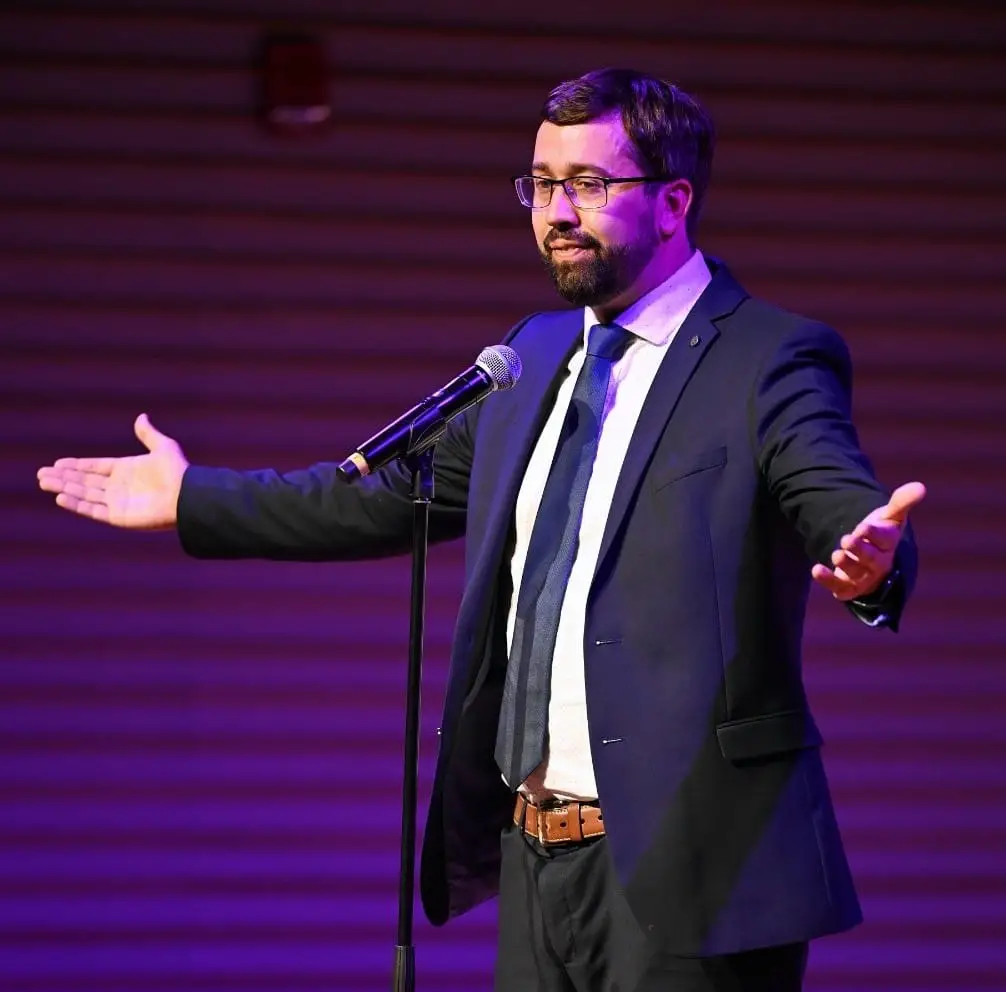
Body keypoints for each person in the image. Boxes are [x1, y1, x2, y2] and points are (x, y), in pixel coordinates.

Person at [38, 68, 925, 992]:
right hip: (538, 855)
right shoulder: (533, 356)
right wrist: (195, 498)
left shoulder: (769, 356)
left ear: (673, 201)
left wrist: (867, 565)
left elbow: (837, 498)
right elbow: (377, 497)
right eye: (540, 184)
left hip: (701, 863)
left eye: (587, 183)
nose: (556, 211)